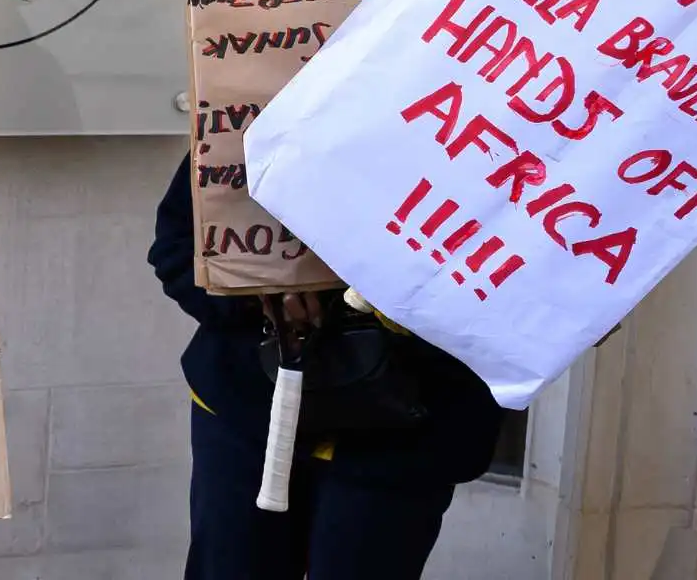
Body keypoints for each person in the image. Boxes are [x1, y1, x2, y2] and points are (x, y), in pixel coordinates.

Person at [149, 152, 504, 580]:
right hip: (247, 415)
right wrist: (258, 297)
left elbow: (534, 296)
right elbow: (178, 249)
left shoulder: (501, 137)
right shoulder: (261, 108)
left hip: (406, 430)